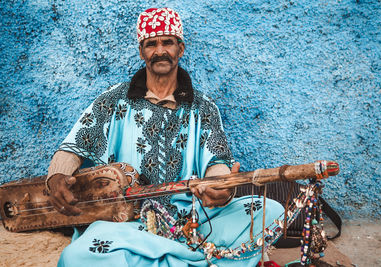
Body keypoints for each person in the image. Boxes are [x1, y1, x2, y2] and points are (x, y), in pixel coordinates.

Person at [47, 7, 283, 267]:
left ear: (180, 49)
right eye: (151, 44)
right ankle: (193, 259)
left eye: (167, 42)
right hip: (129, 223)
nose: (160, 51)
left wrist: (220, 188)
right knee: (75, 257)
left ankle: (161, 258)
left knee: (271, 212)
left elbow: (216, 162)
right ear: (142, 52)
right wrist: (56, 177)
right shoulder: (115, 99)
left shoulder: (203, 107)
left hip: (194, 219)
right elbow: (75, 144)